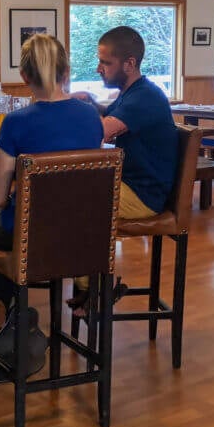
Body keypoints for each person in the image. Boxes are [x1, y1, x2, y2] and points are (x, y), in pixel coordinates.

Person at [0, 33, 104, 308]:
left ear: (23, 76)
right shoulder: (91, 116)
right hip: (82, 232)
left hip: (30, 232)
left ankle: (13, 311)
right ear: (66, 72)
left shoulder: (15, 122)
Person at [69, 25, 178, 313]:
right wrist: (90, 103)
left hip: (145, 195)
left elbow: (101, 132)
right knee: (71, 196)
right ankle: (90, 289)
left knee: (80, 206)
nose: (98, 68)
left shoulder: (145, 97)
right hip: (132, 185)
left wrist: (66, 116)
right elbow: (108, 116)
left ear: (129, 64)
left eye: (106, 62)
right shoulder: (132, 93)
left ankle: (94, 291)